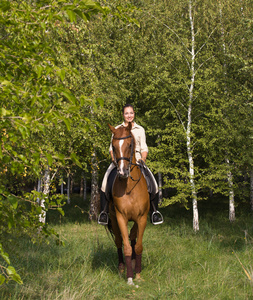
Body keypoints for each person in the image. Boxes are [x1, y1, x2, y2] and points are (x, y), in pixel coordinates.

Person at [98, 104, 163, 225]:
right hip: (119, 161)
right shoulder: (117, 129)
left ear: (134, 114)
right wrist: (114, 160)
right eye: (126, 113)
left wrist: (143, 159)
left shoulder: (140, 129)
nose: (129, 115)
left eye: (131, 113)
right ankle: (104, 213)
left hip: (137, 160)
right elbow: (111, 148)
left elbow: (144, 147)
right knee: (105, 182)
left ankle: (154, 212)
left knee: (153, 182)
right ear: (123, 115)